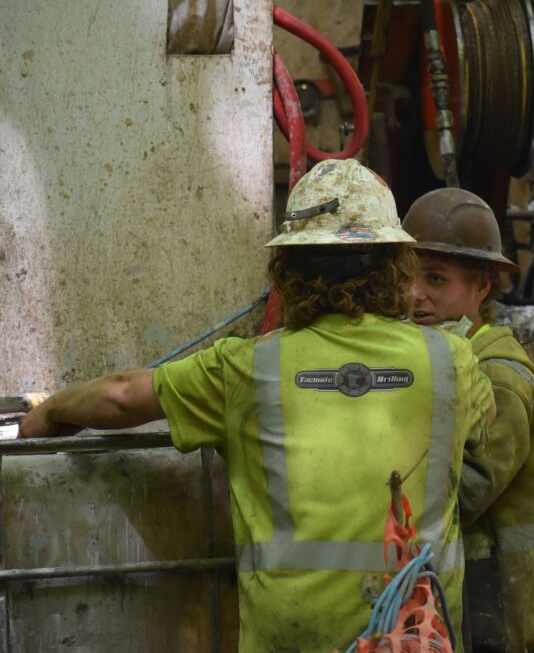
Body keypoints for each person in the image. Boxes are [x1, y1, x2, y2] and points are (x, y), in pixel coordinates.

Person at [20, 159, 495, 652]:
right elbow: (483, 422)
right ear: (397, 265)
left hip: (291, 637)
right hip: (415, 636)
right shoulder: (452, 360)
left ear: (289, 268)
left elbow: (121, 397)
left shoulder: (248, 368)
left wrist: (49, 413)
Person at [403, 188, 534, 653]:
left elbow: (462, 496)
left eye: (435, 279)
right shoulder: (441, 362)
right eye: (407, 277)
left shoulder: (500, 378)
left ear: (482, 287)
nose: (415, 296)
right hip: (468, 608)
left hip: (499, 614)